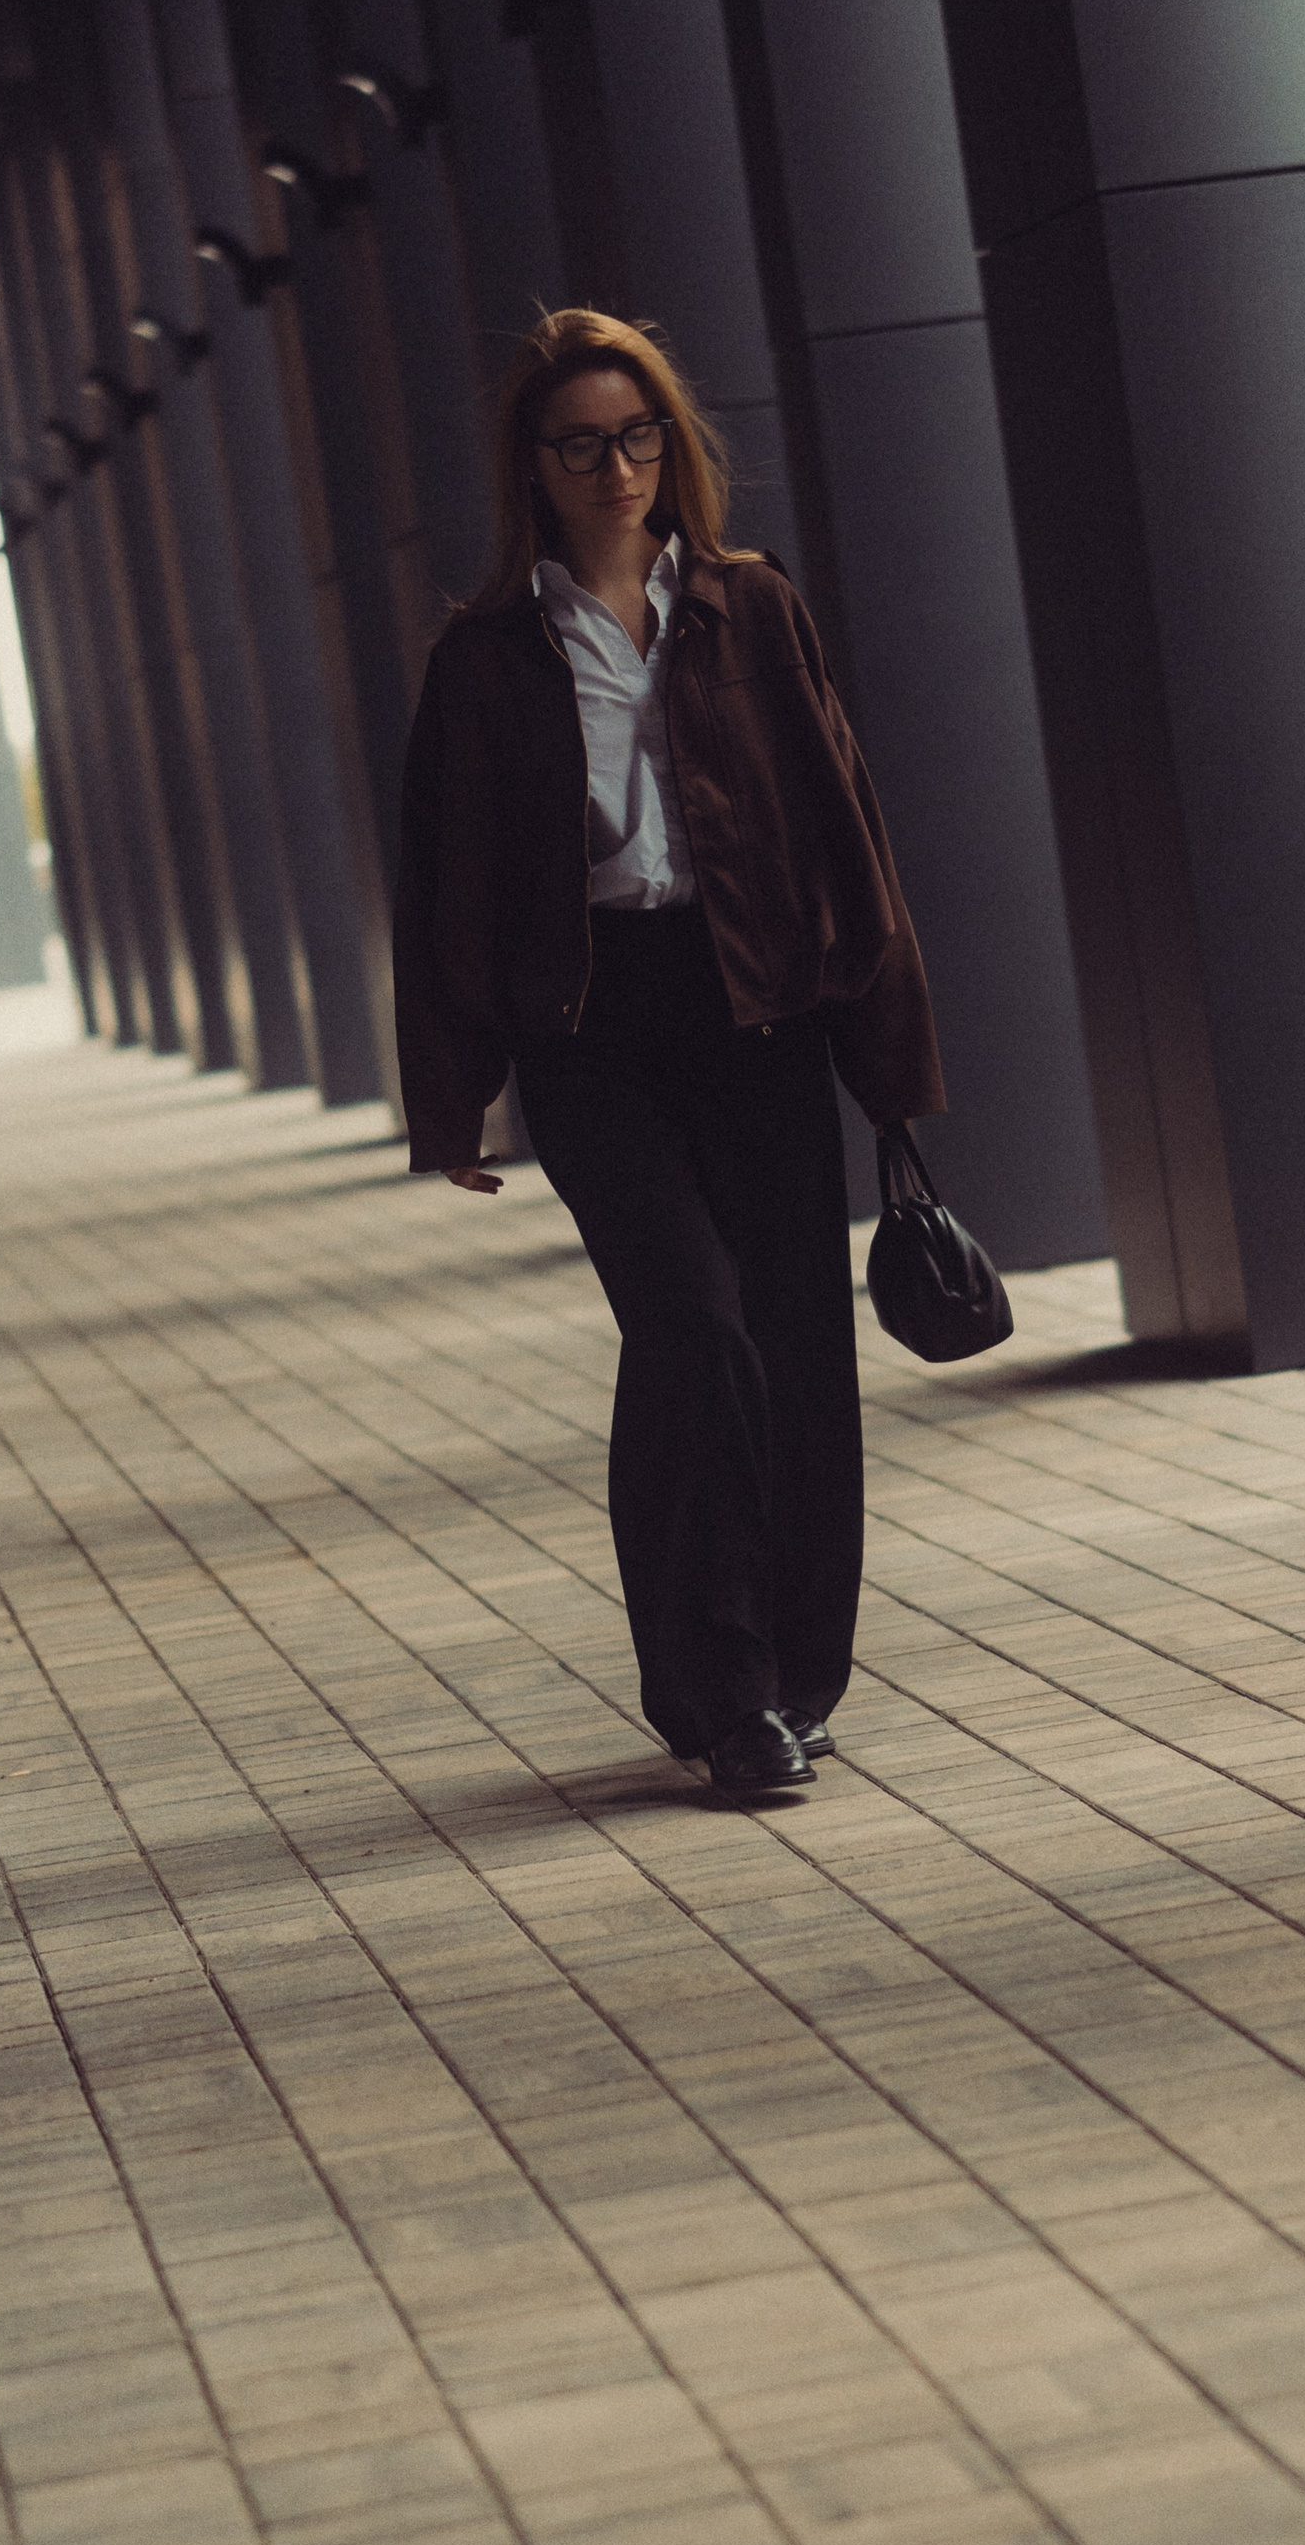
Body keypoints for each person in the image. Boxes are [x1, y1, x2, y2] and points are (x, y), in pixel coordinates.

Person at [392, 307, 944, 1799]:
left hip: (754, 1006)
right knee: (695, 1325)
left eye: (638, 435)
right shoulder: (489, 659)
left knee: (792, 1354)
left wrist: (889, 1058)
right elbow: (435, 882)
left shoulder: (751, 610)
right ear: (534, 467)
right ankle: (722, 1682)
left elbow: (848, 824)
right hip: (594, 1032)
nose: (617, 466)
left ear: (670, 444)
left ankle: (784, 1680)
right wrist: (451, 1097)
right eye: (581, 444)